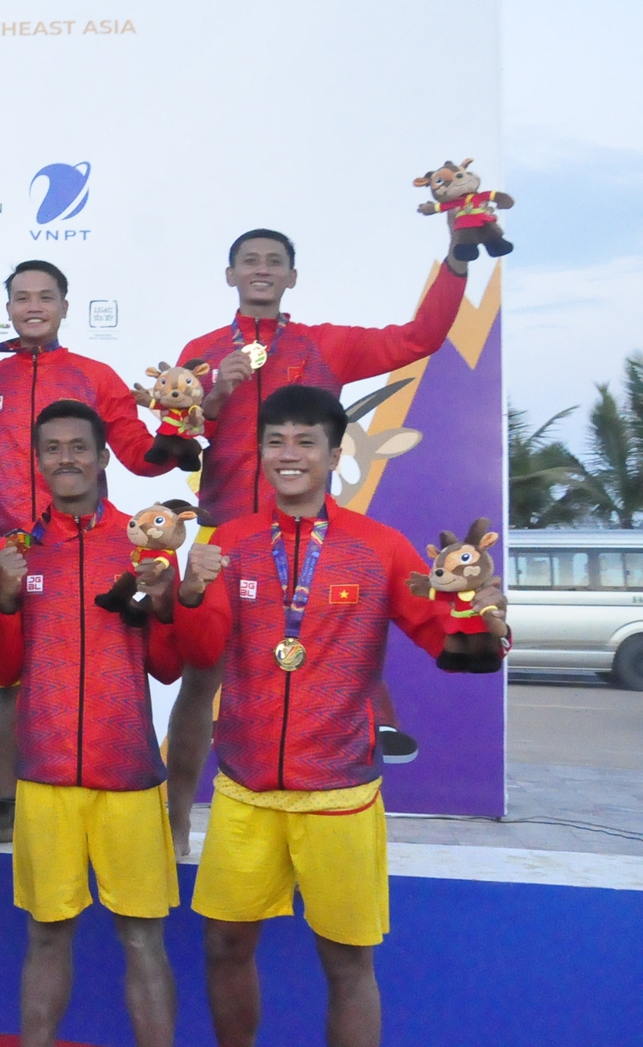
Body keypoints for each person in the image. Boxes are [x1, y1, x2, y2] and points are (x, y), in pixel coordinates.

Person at [175, 385, 506, 1047]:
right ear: (260, 451)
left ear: (333, 453)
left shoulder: (380, 547)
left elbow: (453, 646)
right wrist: (189, 589)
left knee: (349, 962)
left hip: (341, 794)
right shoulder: (231, 542)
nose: (288, 454)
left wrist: (483, 615)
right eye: (275, 440)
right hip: (245, 791)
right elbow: (200, 649)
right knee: (223, 946)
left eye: (305, 441)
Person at [162, 227, 473, 855]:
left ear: (291, 279)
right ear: (230, 276)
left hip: (312, 538)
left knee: (325, 665)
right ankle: (173, 819)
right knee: (201, 681)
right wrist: (215, 391)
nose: (261, 271)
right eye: (249, 261)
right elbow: (177, 439)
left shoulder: (324, 346)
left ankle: (317, 800)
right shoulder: (198, 351)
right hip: (228, 529)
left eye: (274, 262)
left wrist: (458, 259)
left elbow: (418, 340)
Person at [0, 259, 173, 850]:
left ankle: (116, 794)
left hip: (85, 544)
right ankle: (3, 809)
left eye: (45, 296)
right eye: (21, 298)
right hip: (10, 549)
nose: (33, 306)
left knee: (102, 667)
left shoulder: (95, 374)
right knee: (10, 680)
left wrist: (184, 426)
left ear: (66, 305)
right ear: (7, 308)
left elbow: (141, 455)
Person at [0, 400, 185, 1047]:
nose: (65, 457)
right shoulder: (18, 551)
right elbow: (5, 666)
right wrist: (7, 599)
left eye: (78, 446)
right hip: (43, 775)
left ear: (102, 457)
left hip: (127, 773)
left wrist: (161, 603)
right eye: (51, 448)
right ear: (37, 461)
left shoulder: (145, 541)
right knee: (45, 934)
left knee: (142, 936)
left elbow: (169, 668)